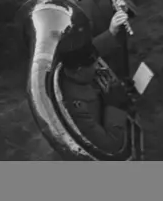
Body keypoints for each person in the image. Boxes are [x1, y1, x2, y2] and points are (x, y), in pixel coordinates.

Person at [52, 22, 135, 156]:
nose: (98, 67)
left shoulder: (69, 63)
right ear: (79, 71)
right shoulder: (78, 109)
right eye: (93, 65)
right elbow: (111, 145)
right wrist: (115, 106)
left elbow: (88, 50)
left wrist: (111, 32)